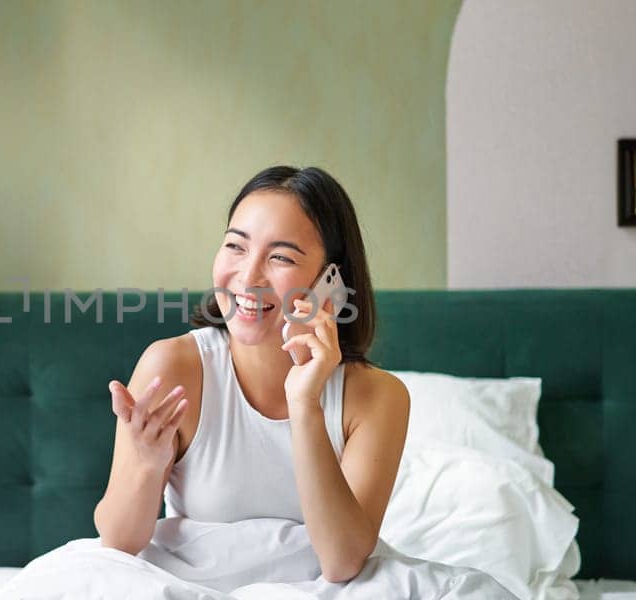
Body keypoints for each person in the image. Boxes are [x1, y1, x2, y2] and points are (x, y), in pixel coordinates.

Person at [92, 165, 411, 584]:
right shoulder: (173, 367)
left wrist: (305, 404)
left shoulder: (378, 397)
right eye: (235, 247)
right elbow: (118, 541)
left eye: (280, 257)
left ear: (330, 282)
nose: (248, 277)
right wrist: (147, 468)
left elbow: (342, 562)